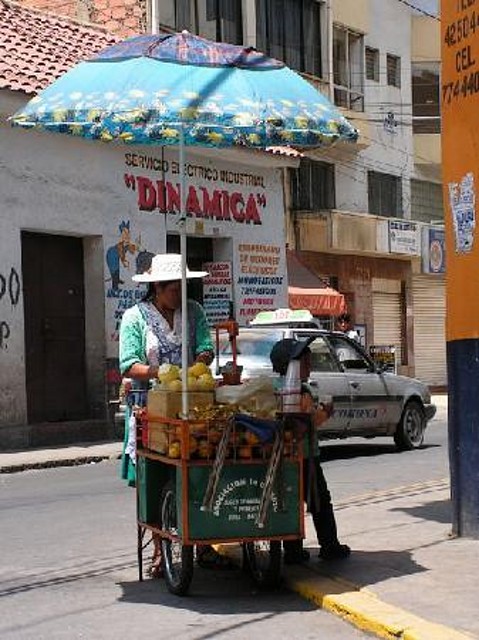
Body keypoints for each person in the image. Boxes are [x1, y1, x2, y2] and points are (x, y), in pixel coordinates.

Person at [119, 253, 226, 575]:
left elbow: (206, 346)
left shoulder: (194, 311)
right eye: (172, 290)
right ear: (157, 288)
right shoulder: (134, 317)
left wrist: (201, 359)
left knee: (198, 469)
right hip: (149, 407)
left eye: (182, 288)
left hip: (193, 404)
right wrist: (160, 372)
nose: (179, 296)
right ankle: (158, 549)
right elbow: (128, 364)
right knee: (154, 478)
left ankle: (203, 543)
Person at [270, 338, 350, 563]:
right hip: (305, 457)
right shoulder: (299, 391)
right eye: (305, 361)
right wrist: (326, 411)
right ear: (291, 365)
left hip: (282, 458)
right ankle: (329, 546)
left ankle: (293, 550)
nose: (309, 365)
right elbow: (307, 422)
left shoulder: (274, 388)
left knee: (290, 501)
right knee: (320, 502)